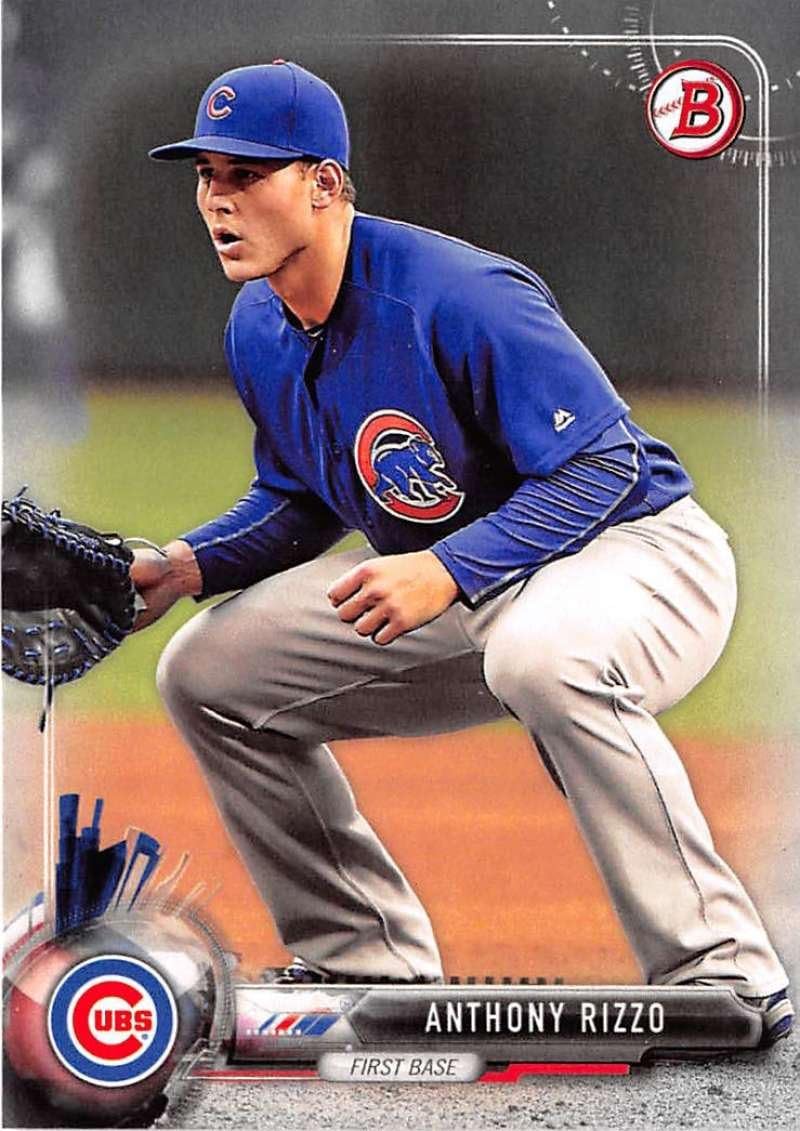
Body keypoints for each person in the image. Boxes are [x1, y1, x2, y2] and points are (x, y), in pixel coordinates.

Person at [134, 61, 792, 1043]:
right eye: (207, 177)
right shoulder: (259, 324)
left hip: (638, 554)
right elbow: (300, 499)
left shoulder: (458, 295)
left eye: (249, 175)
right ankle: (365, 959)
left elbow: (603, 465)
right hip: (466, 586)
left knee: (543, 653)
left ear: (324, 183)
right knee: (207, 672)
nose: (218, 200)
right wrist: (186, 566)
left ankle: (723, 967)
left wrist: (446, 568)